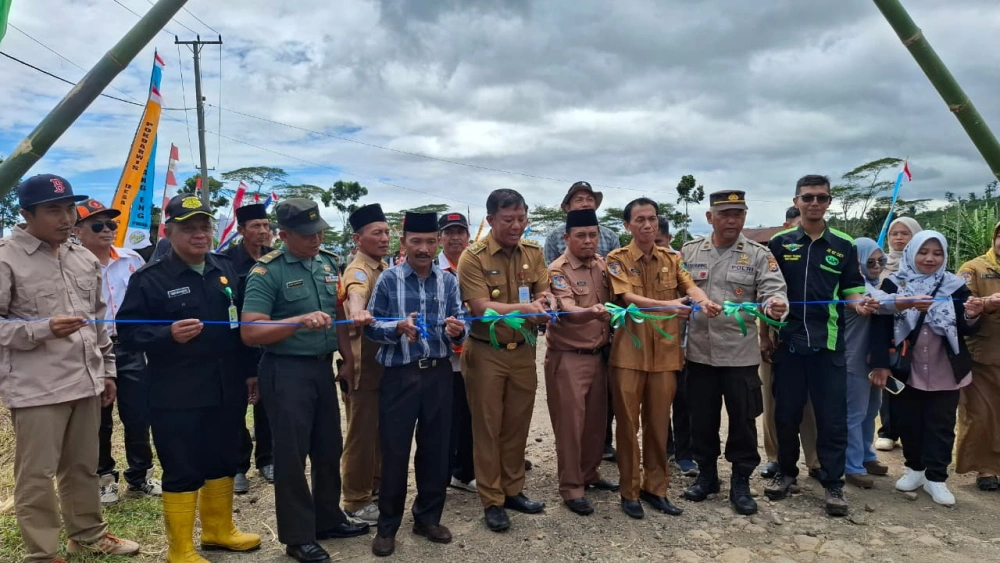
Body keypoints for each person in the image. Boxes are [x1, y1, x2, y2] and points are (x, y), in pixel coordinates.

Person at [1, 175, 142, 563]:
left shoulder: (81, 258)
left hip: (86, 380)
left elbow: (99, 321)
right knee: (37, 475)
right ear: (26, 214)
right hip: (37, 387)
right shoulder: (5, 258)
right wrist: (39, 329)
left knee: (83, 465)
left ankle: (88, 535)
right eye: (53, 210)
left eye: (68, 209)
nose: (65, 218)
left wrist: (108, 370)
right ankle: (42, 553)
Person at [118, 194, 261, 562]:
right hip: (175, 392)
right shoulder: (150, 279)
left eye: (204, 227)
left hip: (225, 386)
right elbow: (128, 333)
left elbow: (239, 328)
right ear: (169, 232)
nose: (199, 234)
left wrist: (249, 373)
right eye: (188, 228)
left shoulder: (224, 267)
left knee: (224, 457)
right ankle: (180, 548)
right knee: (182, 465)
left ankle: (218, 531)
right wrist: (167, 334)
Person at [241, 198, 369, 563]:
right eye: (307, 234)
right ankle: (298, 536)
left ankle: (328, 518)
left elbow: (340, 311)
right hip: (285, 371)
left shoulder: (328, 262)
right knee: (292, 457)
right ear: (283, 235)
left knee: (329, 447)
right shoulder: (268, 272)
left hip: (321, 368)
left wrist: (347, 358)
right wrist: (296, 321)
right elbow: (250, 331)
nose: (316, 238)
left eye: (319, 231)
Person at [765, 175, 878, 517]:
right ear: (796, 200)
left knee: (832, 418)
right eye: (808, 197)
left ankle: (833, 483)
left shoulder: (843, 244)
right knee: (786, 415)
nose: (814, 203)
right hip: (788, 343)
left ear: (830, 202)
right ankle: (786, 473)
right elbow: (768, 289)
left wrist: (860, 304)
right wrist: (769, 319)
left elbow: (852, 290)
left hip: (830, 345)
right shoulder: (780, 243)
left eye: (821, 197)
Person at [605, 197, 720, 519]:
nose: (647, 225)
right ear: (627, 225)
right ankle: (628, 492)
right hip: (629, 355)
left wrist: (705, 301)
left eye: (652, 219)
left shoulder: (672, 258)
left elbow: (690, 286)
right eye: (639, 219)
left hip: (665, 358)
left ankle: (655, 488)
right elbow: (626, 297)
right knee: (627, 428)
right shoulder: (616, 259)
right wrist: (669, 307)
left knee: (658, 427)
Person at [365, 211, 468, 557]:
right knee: (394, 451)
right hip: (400, 375)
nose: (423, 249)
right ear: (403, 242)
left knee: (436, 450)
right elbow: (369, 325)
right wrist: (395, 328)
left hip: (439, 373)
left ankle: (427, 517)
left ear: (437, 242)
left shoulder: (449, 281)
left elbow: (461, 319)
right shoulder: (388, 280)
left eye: (429, 242)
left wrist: (458, 329)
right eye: (416, 242)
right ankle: (387, 526)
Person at [680, 190, 788, 516]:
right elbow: (675, 289)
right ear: (710, 217)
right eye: (725, 214)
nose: (732, 220)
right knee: (701, 419)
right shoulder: (688, 251)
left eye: (738, 214)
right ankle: (708, 477)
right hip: (698, 354)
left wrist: (775, 305)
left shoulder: (757, 254)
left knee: (743, 421)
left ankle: (741, 481)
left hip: (739, 356)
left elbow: (773, 290)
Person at [458, 188, 553, 532]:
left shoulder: (533, 252)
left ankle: (513, 490)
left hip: (524, 351)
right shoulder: (474, 257)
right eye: (508, 219)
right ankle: (492, 499)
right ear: (491, 220)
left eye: (522, 218)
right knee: (488, 427)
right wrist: (526, 309)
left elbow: (544, 290)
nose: (516, 226)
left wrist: (546, 303)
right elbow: (481, 309)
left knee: (517, 424)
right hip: (487, 353)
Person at [872, 231, 981, 506]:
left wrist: (972, 313)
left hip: (945, 365)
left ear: (944, 257)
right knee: (908, 420)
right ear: (911, 253)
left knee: (941, 423)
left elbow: (968, 326)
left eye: (937, 253)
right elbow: (880, 326)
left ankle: (937, 477)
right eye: (923, 252)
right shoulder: (893, 284)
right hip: (907, 366)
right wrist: (880, 365)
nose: (930, 258)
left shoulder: (955, 286)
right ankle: (914, 469)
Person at [72, 199, 159, 505]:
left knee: (138, 414)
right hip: (91, 349)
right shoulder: (69, 265)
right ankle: (103, 478)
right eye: (98, 225)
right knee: (98, 418)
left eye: (112, 224)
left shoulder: (132, 259)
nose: (107, 230)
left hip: (130, 346)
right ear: (77, 230)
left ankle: (141, 476)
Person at [545, 209, 619, 517]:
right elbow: (568, 308)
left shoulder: (603, 266)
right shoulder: (557, 271)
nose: (588, 241)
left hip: (598, 356)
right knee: (570, 426)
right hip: (569, 358)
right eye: (581, 236)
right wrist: (594, 312)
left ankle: (590, 474)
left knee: (595, 424)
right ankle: (572, 487)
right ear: (567, 238)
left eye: (593, 235)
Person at [759, 206, 821, 480]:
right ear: (788, 225)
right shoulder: (777, 247)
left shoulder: (824, 249)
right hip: (777, 337)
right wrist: (764, 335)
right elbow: (761, 293)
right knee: (773, 402)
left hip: (813, 337)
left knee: (810, 404)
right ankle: (776, 458)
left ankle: (815, 460)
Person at [341, 203, 390, 525]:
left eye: (387, 231)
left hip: (381, 366)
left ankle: (374, 488)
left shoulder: (381, 266)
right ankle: (355, 500)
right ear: (359, 239)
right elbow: (354, 294)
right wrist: (358, 311)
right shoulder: (359, 270)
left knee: (378, 433)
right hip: (364, 367)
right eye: (377, 233)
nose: (385, 237)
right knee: (361, 436)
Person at [221, 203, 276, 491]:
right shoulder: (226, 262)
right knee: (236, 406)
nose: (263, 231)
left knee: (267, 404)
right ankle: (238, 465)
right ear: (241, 230)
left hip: (268, 343)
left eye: (266, 226)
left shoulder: (275, 259)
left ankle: (267, 458)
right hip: (236, 345)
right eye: (256, 226)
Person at [843, 238, 891, 490]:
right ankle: (851, 465)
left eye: (881, 260)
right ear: (857, 263)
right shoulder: (855, 288)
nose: (876, 265)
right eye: (869, 261)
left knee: (872, 410)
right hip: (854, 359)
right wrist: (911, 300)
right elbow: (885, 305)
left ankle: (866, 455)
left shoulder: (877, 285)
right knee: (855, 413)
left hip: (874, 360)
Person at [956, 221, 1000, 491]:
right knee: (981, 414)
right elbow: (961, 303)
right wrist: (986, 304)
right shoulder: (974, 269)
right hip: (984, 354)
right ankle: (985, 469)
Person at [438, 212, 477, 493]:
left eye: (460, 232)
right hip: (445, 358)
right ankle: (449, 472)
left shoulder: (474, 265)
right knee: (447, 419)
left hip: (474, 355)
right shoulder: (432, 268)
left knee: (470, 414)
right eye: (449, 232)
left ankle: (465, 470)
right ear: (440, 237)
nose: (455, 237)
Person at [876, 217, 923, 452]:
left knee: (917, 384)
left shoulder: (928, 266)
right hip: (890, 332)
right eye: (894, 233)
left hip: (920, 336)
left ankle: (913, 433)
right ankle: (888, 431)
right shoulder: (881, 266)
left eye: (905, 233)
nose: (898, 237)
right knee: (890, 382)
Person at [656, 216, 696, 477]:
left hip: (679, 346)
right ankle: (663, 450)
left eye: (660, 241)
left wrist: (683, 347)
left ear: (669, 240)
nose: (655, 247)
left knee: (683, 401)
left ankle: (685, 454)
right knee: (657, 403)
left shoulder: (679, 263)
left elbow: (693, 303)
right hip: (652, 346)